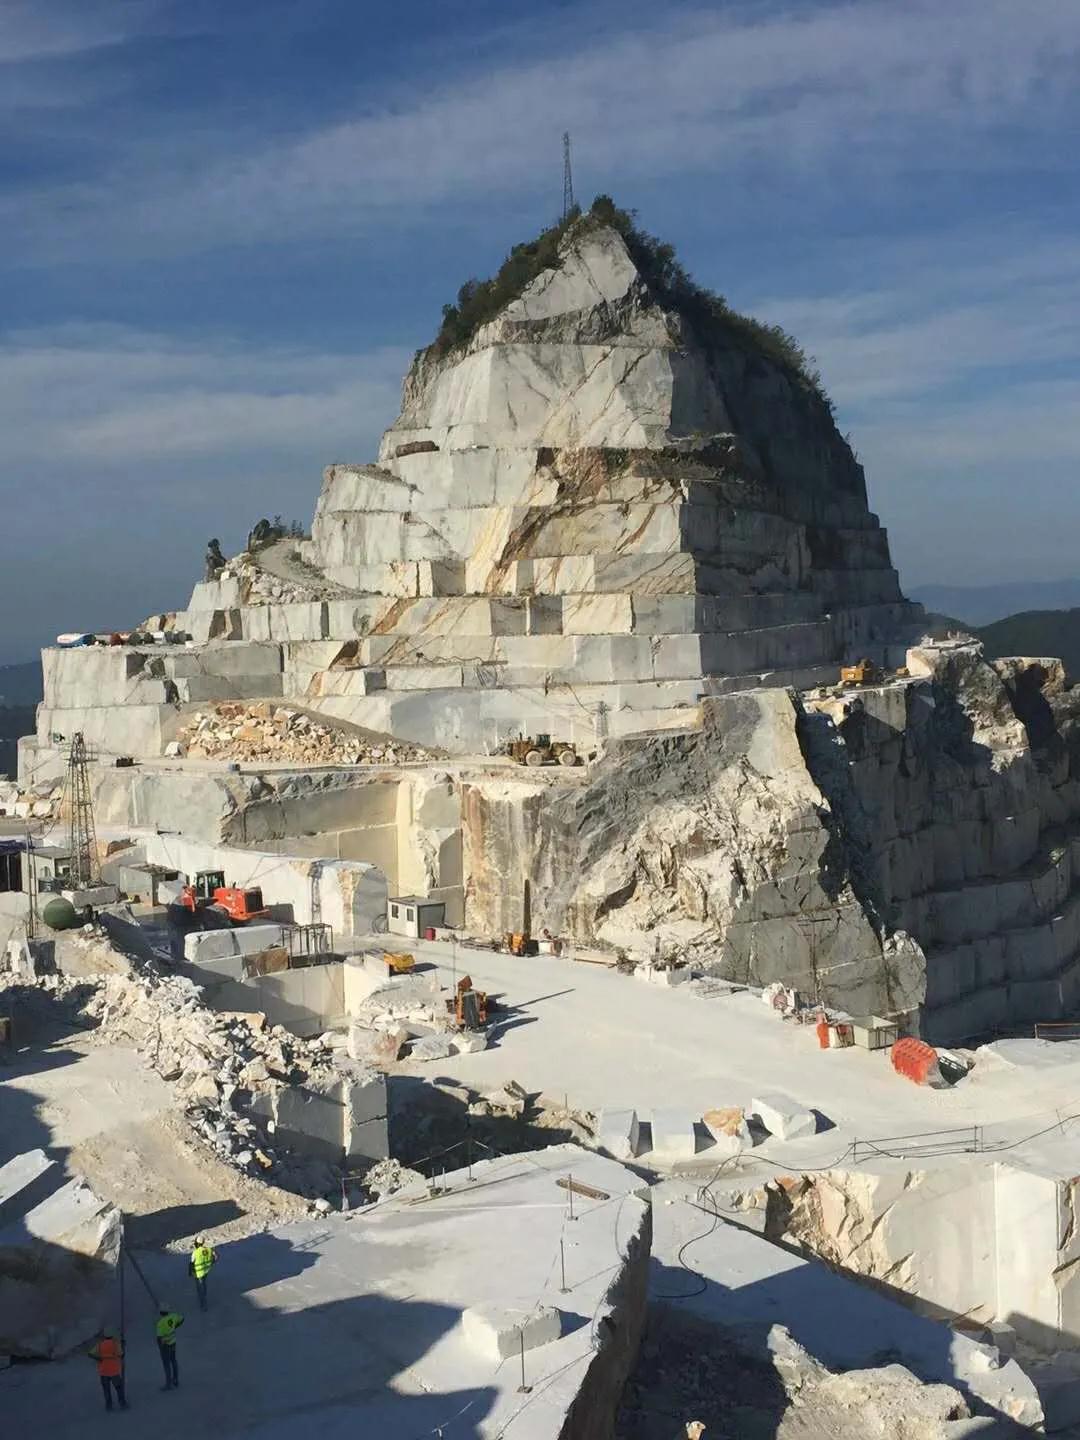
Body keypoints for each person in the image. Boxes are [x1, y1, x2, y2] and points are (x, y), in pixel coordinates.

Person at [89, 1328, 127, 1411]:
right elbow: (121, 1355)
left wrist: (98, 1358)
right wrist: (122, 1345)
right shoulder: (115, 1344)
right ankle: (122, 1403)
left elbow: (90, 1354)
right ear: (112, 1335)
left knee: (106, 1389)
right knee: (119, 1387)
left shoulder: (100, 1344)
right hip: (114, 1371)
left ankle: (109, 1406)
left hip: (103, 1371)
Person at [155, 1307, 184, 1390]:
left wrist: (160, 1348)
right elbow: (182, 1319)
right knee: (173, 1361)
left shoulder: (160, 1323)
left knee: (166, 1364)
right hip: (173, 1343)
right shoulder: (173, 1316)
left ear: (161, 1313)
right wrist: (175, 1326)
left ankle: (168, 1384)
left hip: (165, 1346)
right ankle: (175, 1379)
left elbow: (159, 1338)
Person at [189, 1235, 217, 1310]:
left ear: (197, 1243)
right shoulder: (209, 1249)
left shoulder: (195, 1252)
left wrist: (190, 1272)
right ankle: (204, 1295)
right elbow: (215, 1258)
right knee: (204, 1285)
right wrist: (210, 1263)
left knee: (200, 1288)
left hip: (198, 1274)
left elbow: (191, 1263)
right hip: (206, 1271)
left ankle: (203, 1304)